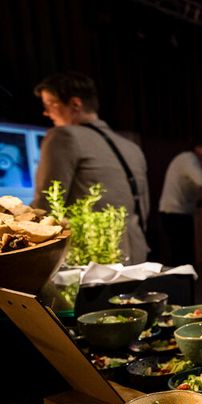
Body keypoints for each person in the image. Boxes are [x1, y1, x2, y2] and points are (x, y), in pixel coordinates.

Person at [32, 71, 150, 264]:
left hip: (91, 256)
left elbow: (46, 203)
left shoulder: (63, 137)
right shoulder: (132, 147)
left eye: (49, 104)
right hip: (136, 251)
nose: (46, 113)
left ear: (75, 104)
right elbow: (143, 208)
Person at [158, 139, 202, 266]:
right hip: (175, 214)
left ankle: (182, 284)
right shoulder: (188, 158)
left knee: (182, 258)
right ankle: (180, 285)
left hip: (177, 213)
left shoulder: (189, 160)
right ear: (198, 148)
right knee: (181, 259)